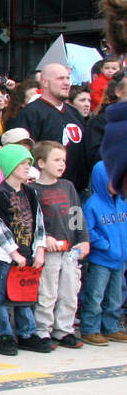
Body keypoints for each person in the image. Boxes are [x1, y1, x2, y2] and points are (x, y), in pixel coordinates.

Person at [0, 144, 47, 356]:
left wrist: (39, 249)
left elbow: (38, 223)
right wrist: (13, 252)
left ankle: (27, 333)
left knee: (25, 296)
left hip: (28, 253)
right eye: (22, 163)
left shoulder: (31, 192)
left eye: (29, 163)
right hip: (7, 256)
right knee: (2, 298)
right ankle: (4, 336)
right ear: (10, 165)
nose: (27, 167)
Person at [30, 142, 89, 350]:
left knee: (70, 290)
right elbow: (33, 221)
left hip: (70, 249)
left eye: (63, 160)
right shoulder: (33, 189)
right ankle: (42, 330)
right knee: (47, 291)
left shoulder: (67, 186)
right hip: (50, 251)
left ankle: (64, 330)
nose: (61, 164)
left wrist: (83, 239)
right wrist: (45, 239)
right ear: (42, 163)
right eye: (56, 160)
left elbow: (76, 214)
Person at [8, 62, 90, 191]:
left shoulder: (74, 113)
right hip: (46, 192)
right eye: (60, 78)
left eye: (68, 78)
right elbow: (23, 152)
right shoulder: (31, 113)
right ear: (45, 83)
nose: (67, 83)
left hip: (78, 191)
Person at [79, 161, 127, 345]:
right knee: (95, 295)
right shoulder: (92, 205)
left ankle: (111, 327)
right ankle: (90, 329)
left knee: (116, 297)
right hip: (101, 259)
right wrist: (107, 246)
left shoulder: (122, 203)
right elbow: (89, 231)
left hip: (119, 259)